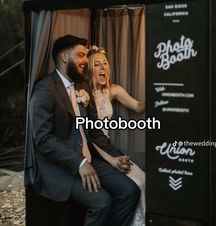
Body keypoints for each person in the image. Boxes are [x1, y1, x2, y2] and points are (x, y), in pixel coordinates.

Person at [29, 35, 140, 226]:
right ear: (64, 57)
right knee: (102, 201)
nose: (84, 61)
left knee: (130, 190)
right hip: (59, 167)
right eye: (80, 55)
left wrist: (116, 157)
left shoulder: (82, 86)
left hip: (90, 159)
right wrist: (79, 163)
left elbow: (95, 131)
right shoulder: (44, 89)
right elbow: (43, 139)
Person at [87, 46, 146, 226]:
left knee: (142, 179)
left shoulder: (112, 90)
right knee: (133, 184)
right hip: (94, 150)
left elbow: (138, 107)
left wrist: (157, 89)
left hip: (108, 147)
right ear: (89, 69)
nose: (103, 67)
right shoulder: (82, 94)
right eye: (97, 64)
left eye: (105, 63)